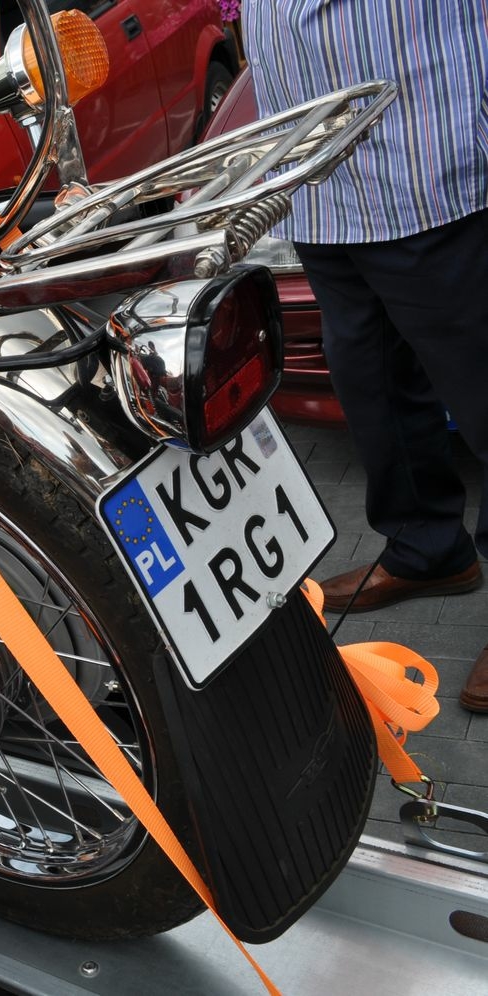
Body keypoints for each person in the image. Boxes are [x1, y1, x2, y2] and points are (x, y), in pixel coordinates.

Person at [243, 2, 488, 710]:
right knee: (372, 383)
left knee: (482, 391)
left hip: (430, 159)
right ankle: (425, 549)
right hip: (318, 180)